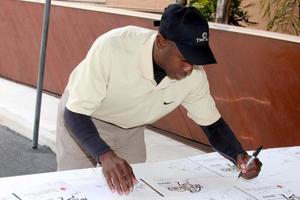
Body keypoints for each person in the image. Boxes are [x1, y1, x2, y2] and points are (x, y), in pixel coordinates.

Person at [56, 4, 262, 196]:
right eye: (185, 58)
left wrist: (239, 155)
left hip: (131, 130)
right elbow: (75, 112)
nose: (189, 68)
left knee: (132, 193)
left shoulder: (194, 77)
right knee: (75, 190)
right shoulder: (113, 47)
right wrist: (105, 154)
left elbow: (213, 126)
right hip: (84, 119)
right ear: (161, 42)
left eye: (195, 60)